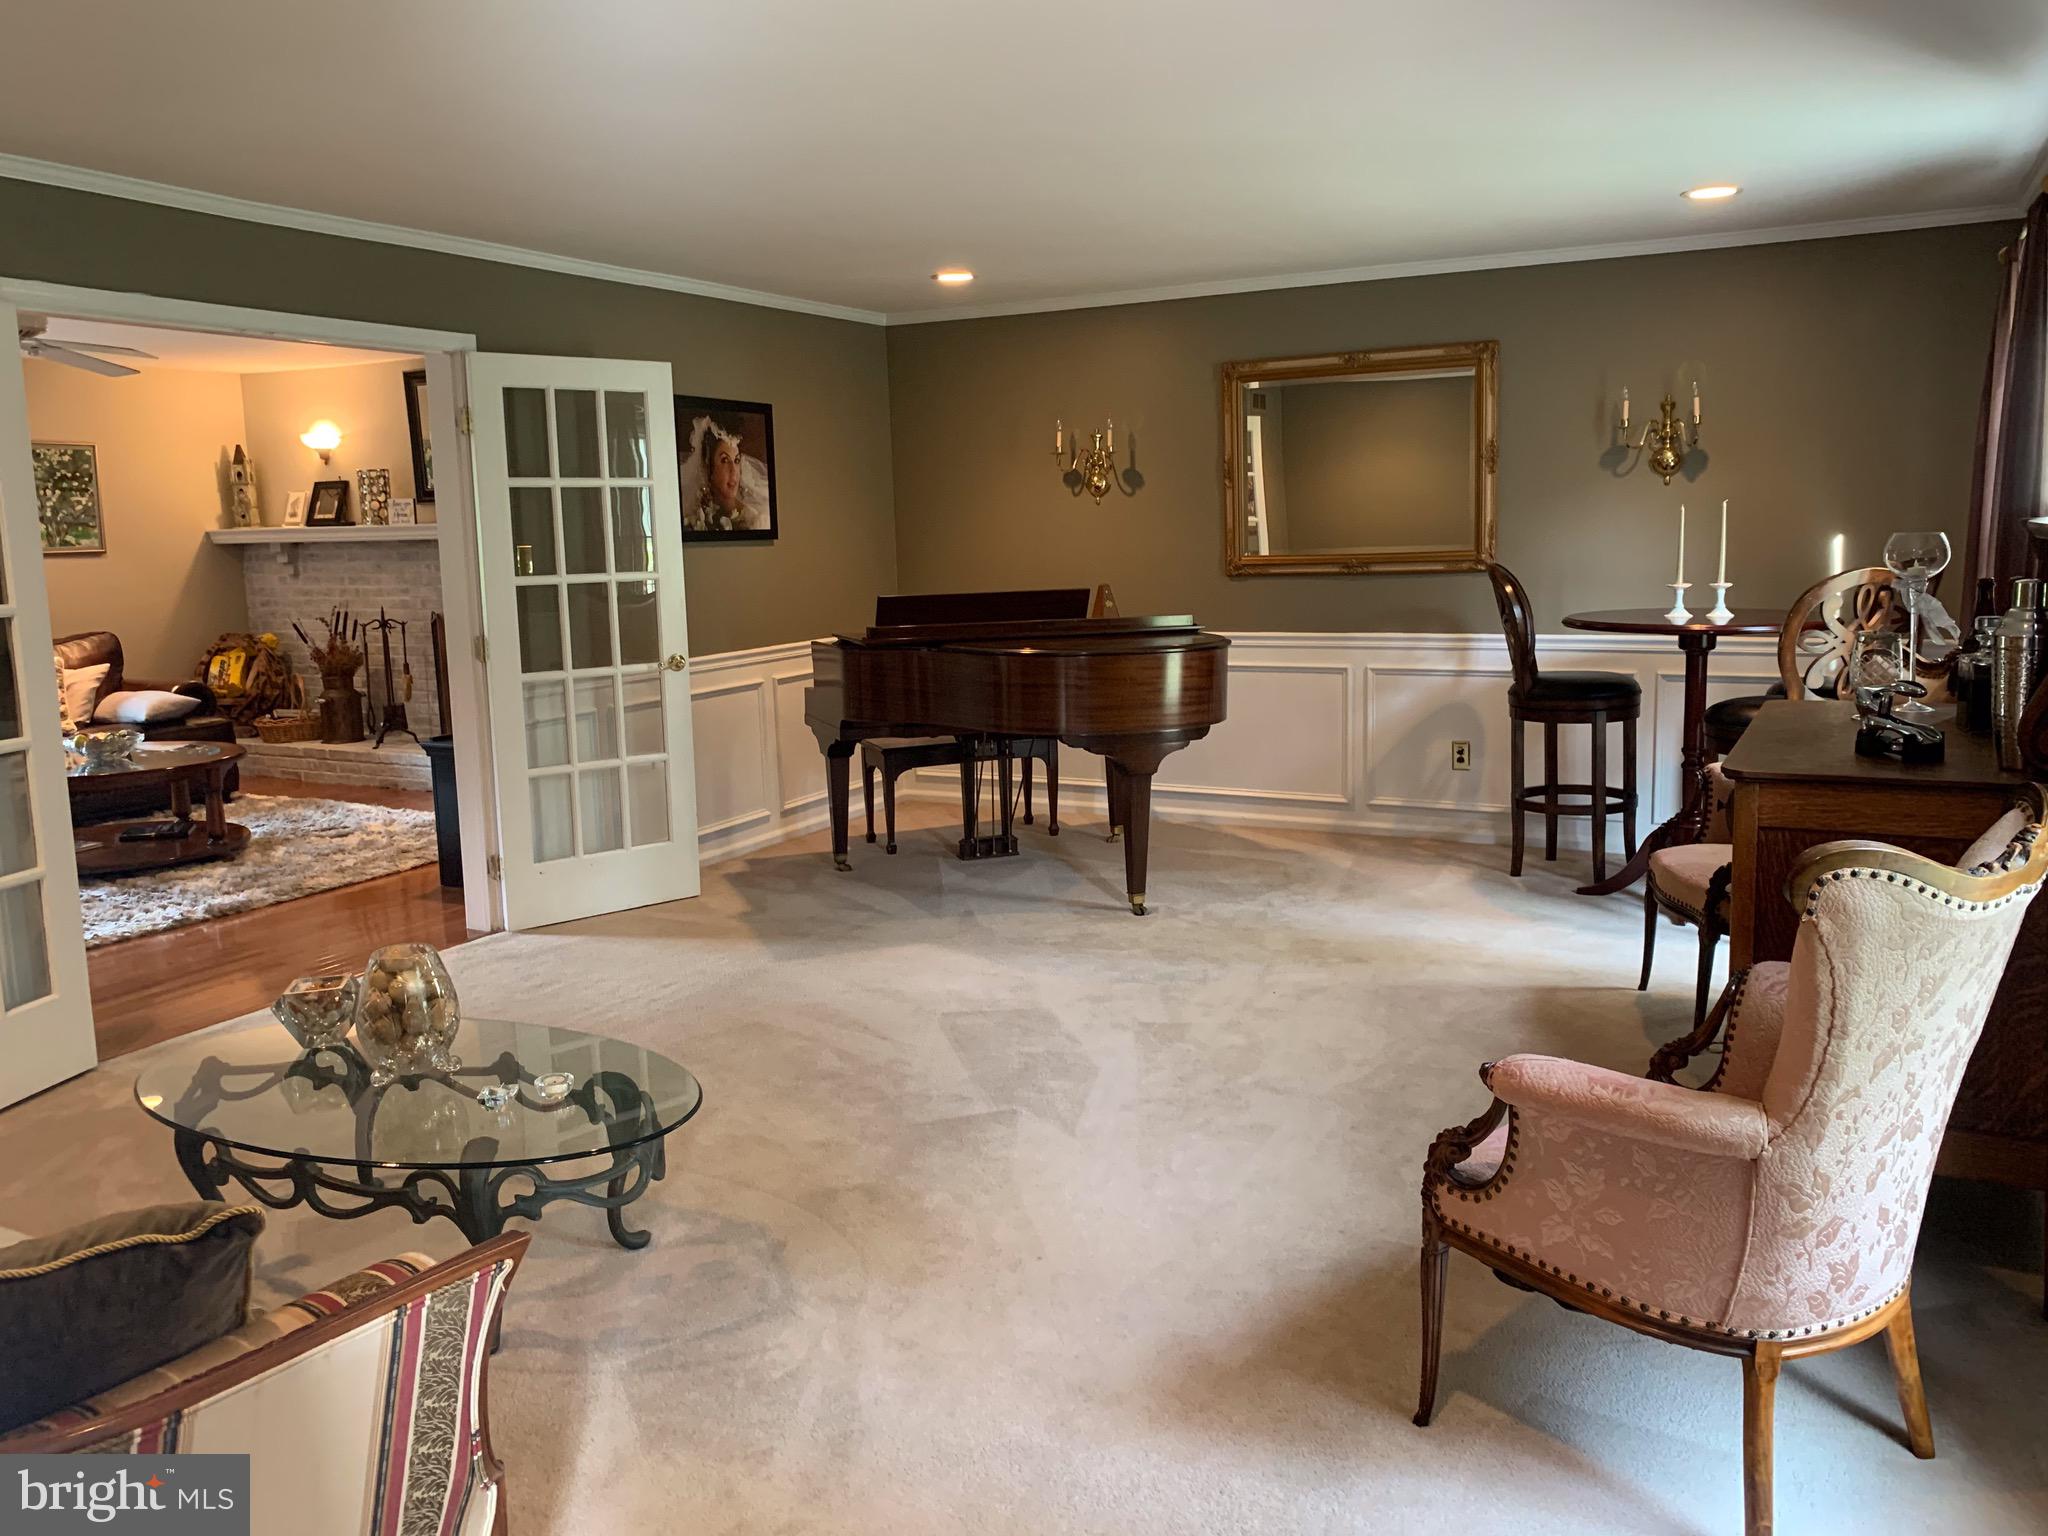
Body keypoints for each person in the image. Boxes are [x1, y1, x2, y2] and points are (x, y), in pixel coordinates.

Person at [680, 414, 772, 532]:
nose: (733, 470)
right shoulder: (694, 518)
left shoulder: (756, 521)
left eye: (736, 460)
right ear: (708, 466)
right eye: (724, 460)